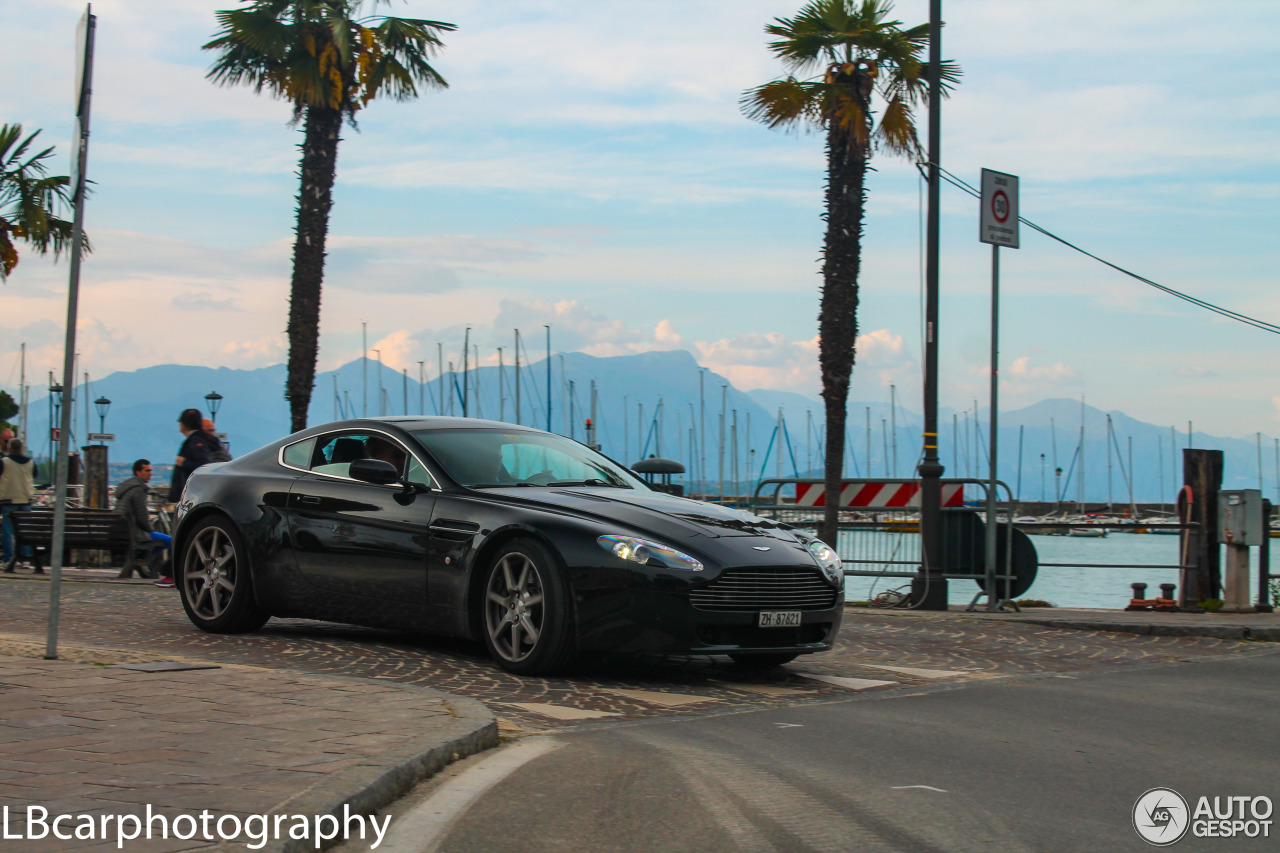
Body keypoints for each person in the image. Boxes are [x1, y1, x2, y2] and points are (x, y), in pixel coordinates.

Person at [159, 409, 225, 587]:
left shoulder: (195, 441)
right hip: (194, 496)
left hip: (191, 496)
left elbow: (204, 465)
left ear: (184, 424)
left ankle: (172, 574)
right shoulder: (201, 440)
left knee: (182, 535)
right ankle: (175, 573)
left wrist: (183, 463)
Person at [114, 459, 171, 580]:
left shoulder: (126, 487)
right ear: (138, 472)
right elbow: (142, 519)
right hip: (134, 534)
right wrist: (150, 530)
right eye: (147, 470)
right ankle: (141, 560)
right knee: (169, 540)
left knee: (155, 537)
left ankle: (139, 560)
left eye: (150, 470)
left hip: (120, 532)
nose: (150, 473)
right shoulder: (138, 489)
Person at [1, 437, 38, 571]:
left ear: (9, 448)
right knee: (25, 530)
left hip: (8, 500)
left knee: (7, 531)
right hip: (26, 500)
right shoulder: (31, 463)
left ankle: (8, 558)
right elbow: (34, 475)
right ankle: (25, 558)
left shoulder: (4, 462)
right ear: (22, 448)